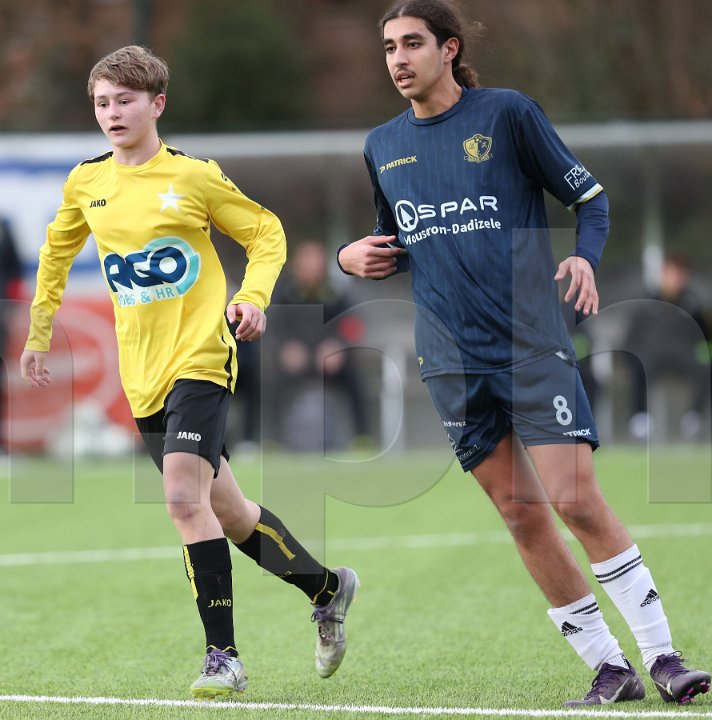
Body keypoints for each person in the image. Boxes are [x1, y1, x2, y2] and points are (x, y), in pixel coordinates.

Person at [337, 0, 709, 707]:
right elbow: (394, 244)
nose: (398, 59)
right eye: (388, 47)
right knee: (521, 514)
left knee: (576, 501)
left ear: (449, 49)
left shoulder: (507, 115)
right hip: (449, 361)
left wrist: (586, 257)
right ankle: (610, 670)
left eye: (412, 43)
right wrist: (348, 256)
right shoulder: (382, 144)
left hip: (529, 344)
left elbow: (590, 200)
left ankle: (664, 657)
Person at [20, 45, 358, 700]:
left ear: (157, 104)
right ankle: (327, 588)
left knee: (181, 499)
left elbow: (266, 233)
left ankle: (223, 658)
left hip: (202, 355)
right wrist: (39, 332)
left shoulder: (193, 177)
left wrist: (252, 298)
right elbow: (55, 256)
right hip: (141, 371)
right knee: (228, 513)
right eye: (102, 102)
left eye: (125, 100)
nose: (112, 113)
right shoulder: (86, 183)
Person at [266, 239, 372, 450]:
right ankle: (271, 440)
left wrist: (338, 346)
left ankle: (362, 438)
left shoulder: (337, 292)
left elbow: (352, 324)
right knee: (269, 382)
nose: (311, 270)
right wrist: (285, 347)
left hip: (330, 361)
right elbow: (273, 324)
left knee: (356, 381)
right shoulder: (284, 292)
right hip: (296, 361)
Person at [625, 253, 711, 441]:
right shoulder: (647, 302)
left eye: (678, 274)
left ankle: (694, 419)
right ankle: (641, 420)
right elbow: (632, 337)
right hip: (653, 356)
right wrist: (632, 355)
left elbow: (704, 336)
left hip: (683, 355)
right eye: (670, 274)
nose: (674, 279)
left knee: (706, 369)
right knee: (639, 367)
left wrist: (704, 353)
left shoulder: (693, 303)